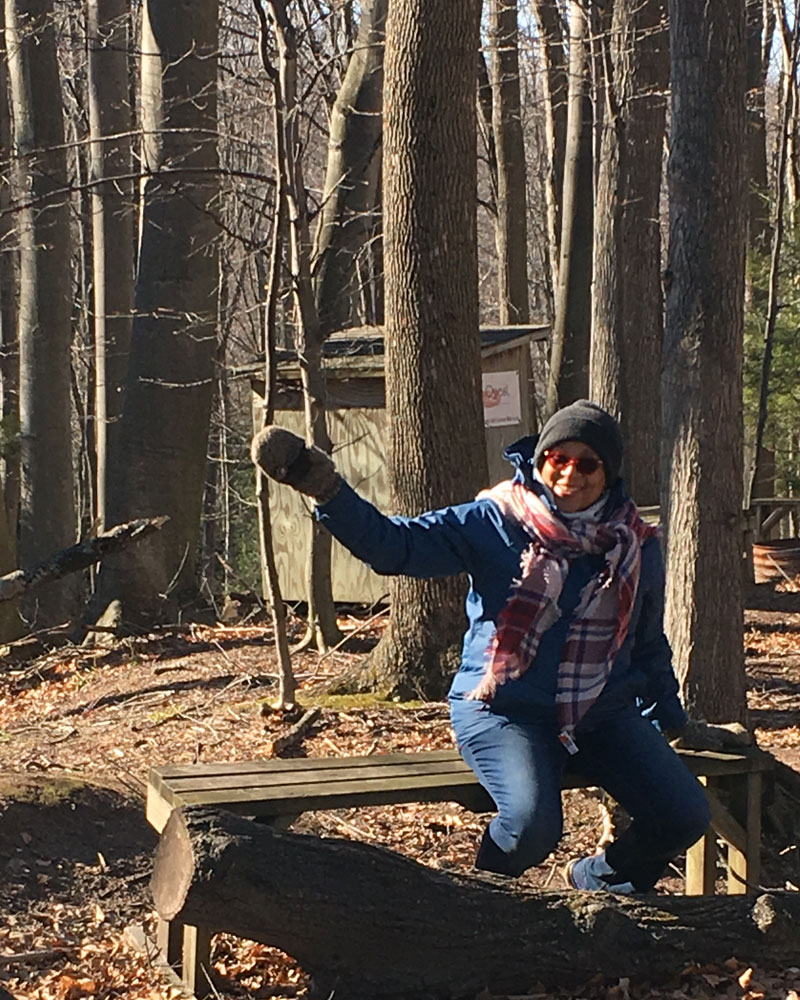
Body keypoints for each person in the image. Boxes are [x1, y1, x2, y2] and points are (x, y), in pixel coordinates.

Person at [251, 399, 710, 893]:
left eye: (588, 463)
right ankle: (479, 905)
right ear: (540, 461)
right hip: (503, 710)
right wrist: (324, 487)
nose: (570, 474)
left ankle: (599, 879)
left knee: (683, 815)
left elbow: (646, 644)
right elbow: (394, 546)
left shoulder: (636, 545)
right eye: (558, 458)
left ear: (609, 473)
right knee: (533, 828)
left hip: (601, 713)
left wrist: (674, 720)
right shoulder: (494, 521)